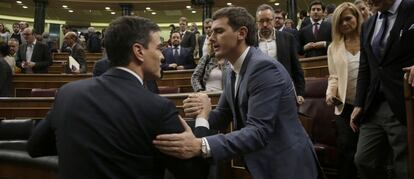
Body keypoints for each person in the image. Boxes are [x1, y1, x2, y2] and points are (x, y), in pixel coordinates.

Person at [27, 16, 208, 179]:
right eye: (159, 48)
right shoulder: (158, 107)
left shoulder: (68, 93)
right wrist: (201, 121)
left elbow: (35, 147)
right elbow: (195, 173)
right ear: (139, 51)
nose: (162, 56)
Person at [153, 6, 322, 179]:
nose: (211, 38)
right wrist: (196, 120)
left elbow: (258, 132)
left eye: (218, 31)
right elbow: (223, 114)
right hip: (262, 163)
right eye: (211, 32)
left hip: (287, 165)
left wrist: (201, 144)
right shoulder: (230, 69)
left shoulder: (264, 68)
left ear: (241, 33)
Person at [350, 0, 414, 178]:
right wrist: (358, 103)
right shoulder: (368, 24)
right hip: (374, 106)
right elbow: (366, 67)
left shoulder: (411, 8)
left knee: (405, 167)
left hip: (404, 101)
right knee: (363, 160)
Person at [325, 3, 363, 179]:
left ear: (357, 17)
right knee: (347, 150)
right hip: (344, 106)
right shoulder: (333, 47)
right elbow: (333, 76)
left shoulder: (369, 38)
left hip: (368, 105)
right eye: (340, 21)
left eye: (348, 18)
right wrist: (330, 93)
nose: (345, 24)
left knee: (366, 154)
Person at [256, 4, 306, 104]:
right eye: (261, 21)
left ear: (274, 20)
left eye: (268, 20)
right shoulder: (250, 41)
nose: (265, 24)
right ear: (257, 23)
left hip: (285, 91)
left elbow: (296, 67)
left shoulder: (287, 38)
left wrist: (300, 92)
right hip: (259, 93)